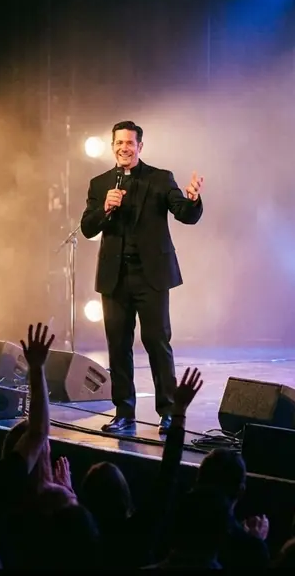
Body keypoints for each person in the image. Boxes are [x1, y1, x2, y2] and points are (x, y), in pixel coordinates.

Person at [80, 120, 204, 434]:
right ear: (112, 147)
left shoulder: (160, 179)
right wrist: (105, 208)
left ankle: (167, 411)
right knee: (118, 346)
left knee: (156, 342)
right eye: (119, 143)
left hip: (151, 276)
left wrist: (192, 200)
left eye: (130, 144)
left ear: (140, 147)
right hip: (115, 278)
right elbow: (87, 228)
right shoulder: (100, 184)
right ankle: (124, 413)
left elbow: (184, 214)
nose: (124, 148)